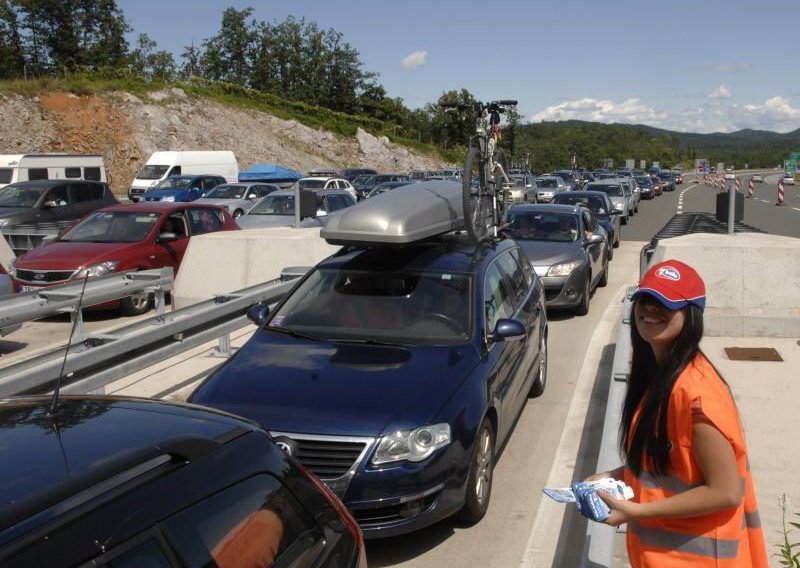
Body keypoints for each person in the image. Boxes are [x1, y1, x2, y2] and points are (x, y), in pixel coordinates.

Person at [588, 260, 768, 567]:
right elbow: (666, 468)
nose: (650, 310)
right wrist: (611, 477)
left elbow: (725, 492)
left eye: (665, 304)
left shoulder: (697, 396)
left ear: (691, 315)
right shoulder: (661, 380)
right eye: (645, 300)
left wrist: (636, 510)